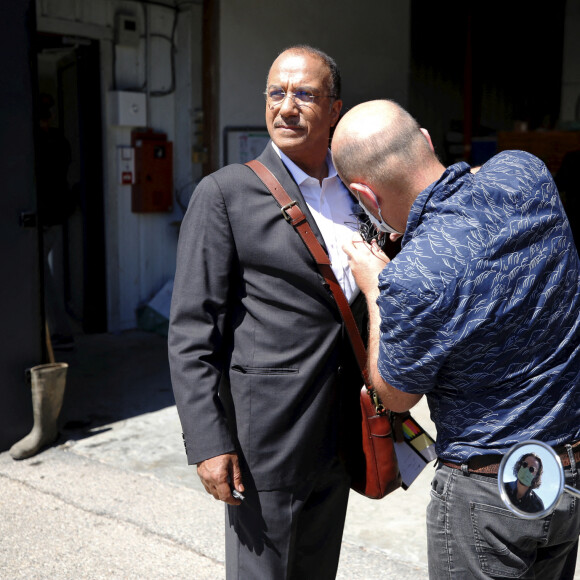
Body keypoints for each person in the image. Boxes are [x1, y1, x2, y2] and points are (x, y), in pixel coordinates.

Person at [331, 99, 580, 579]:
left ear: (365, 195)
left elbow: (394, 395)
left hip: (487, 499)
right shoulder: (526, 172)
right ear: (425, 138)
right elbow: (479, 188)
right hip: (564, 474)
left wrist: (376, 286)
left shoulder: (411, 277)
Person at [168, 46, 365, 579]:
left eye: (304, 94)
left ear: (335, 109)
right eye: (276, 93)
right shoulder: (226, 194)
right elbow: (191, 331)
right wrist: (209, 442)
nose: (286, 107)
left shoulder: (356, 194)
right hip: (266, 443)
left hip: (339, 433)